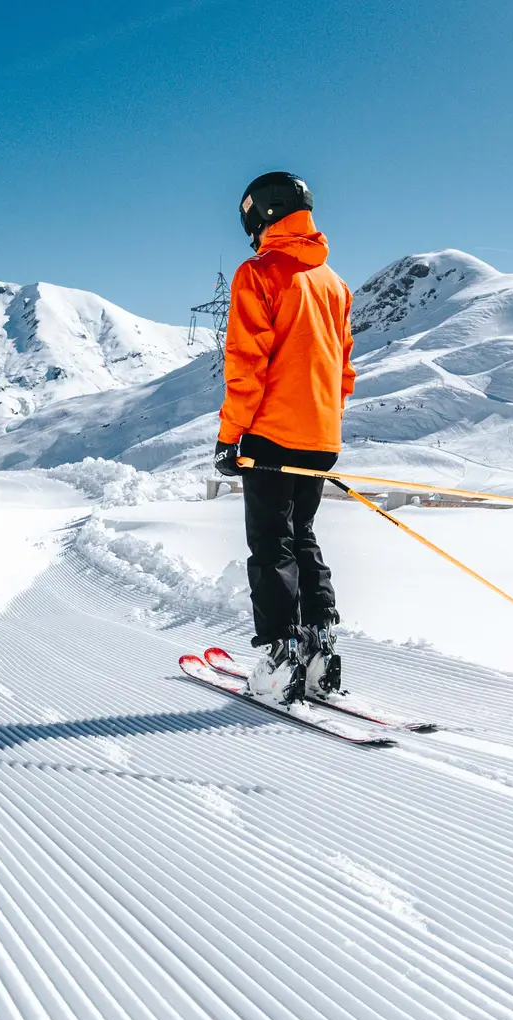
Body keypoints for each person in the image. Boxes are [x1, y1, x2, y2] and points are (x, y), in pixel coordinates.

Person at [211, 171, 355, 703]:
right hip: (320, 435)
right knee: (304, 535)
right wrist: (323, 420)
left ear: (262, 215)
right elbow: (344, 369)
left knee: (272, 541)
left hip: (272, 434)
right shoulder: (334, 284)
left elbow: (246, 365)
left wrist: (231, 438)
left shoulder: (259, 273)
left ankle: (280, 658)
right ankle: (320, 652)